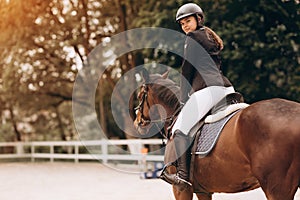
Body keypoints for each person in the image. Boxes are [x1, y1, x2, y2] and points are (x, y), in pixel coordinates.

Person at [160, 3, 235, 190]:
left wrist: (183, 95)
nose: (185, 26)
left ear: (198, 19)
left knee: (179, 128)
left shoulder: (193, 37)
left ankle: (183, 177)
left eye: (188, 21)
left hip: (207, 89)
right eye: (182, 23)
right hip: (226, 88)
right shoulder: (209, 36)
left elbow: (187, 69)